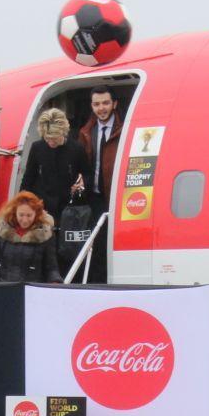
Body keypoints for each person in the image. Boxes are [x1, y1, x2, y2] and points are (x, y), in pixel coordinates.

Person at [18, 107, 89, 241]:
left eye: (54, 138)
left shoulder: (76, 149)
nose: (51, 142)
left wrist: (82, 185)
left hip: (68, 206)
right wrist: (22, 202)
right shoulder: (37, 148)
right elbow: (28, 177)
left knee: (64, 247)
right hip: (42, 206)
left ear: (63, 132)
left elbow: (87, 174)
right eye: (47, 138)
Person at [76, 88, 123, 283]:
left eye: (105, 103)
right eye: (96, 104)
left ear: (114, 104)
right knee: (96, 241)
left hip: (115, 196)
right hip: (94, 196)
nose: (101, 108)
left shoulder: (124, 129)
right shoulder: (86, 132)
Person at [0, 192, 61, 284]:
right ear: (14, 212)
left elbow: (51, 268)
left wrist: (55, 283)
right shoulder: (3, 230)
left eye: (29, 215)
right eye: (21, 215)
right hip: (3, 286)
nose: (25, 220)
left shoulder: (46, 234)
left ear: (36, 214)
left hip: (32, 289)